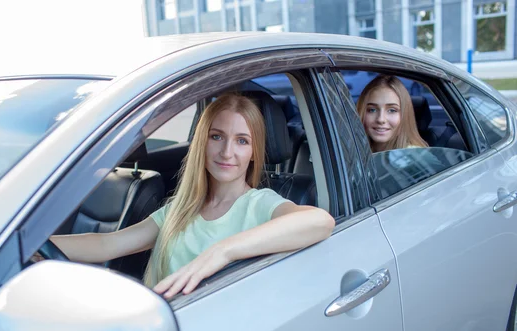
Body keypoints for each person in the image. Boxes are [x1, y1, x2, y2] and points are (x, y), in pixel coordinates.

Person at [50, 93, 335, 298]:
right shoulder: (180, 208)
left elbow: (320, 221)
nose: (226, 152)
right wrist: (30, 248)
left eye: (241, 141)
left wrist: (222, 251)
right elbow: (106, 244)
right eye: (217, 136)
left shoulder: (259, 205)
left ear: (253, 153)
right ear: (201, 142)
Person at [357, 75, 428, 152]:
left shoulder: (414, 156)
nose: (381, 119)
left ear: (404, 115)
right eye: (372, 110)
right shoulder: (354, 151)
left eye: (392, 110)